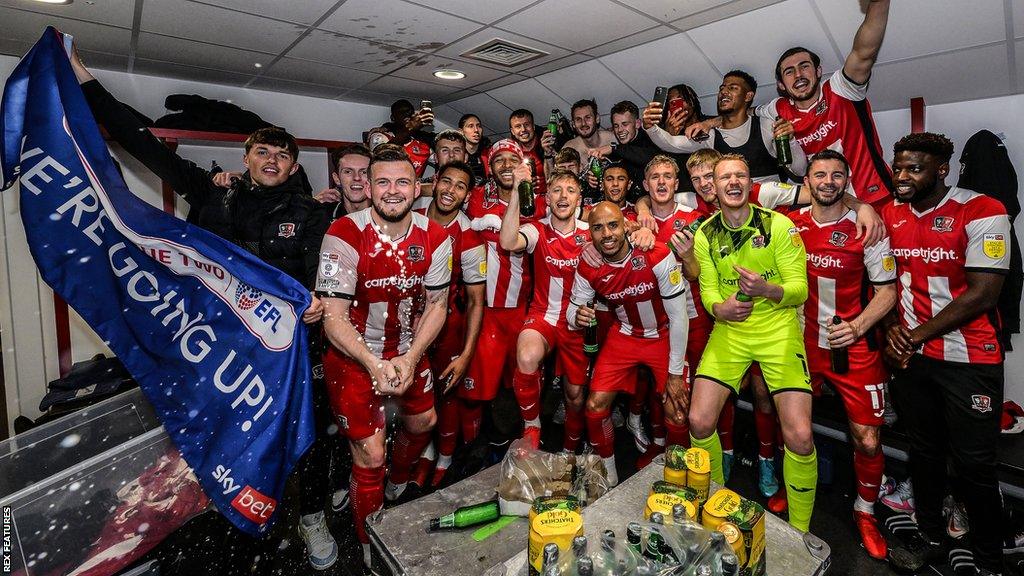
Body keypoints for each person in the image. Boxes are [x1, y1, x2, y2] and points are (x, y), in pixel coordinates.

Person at [68, 46, 338, 569]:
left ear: (293, 166)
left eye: (283, 156)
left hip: (284, 354)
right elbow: (140, 143)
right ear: (247, 157)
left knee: (306, 441)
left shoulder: (309, 213)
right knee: (213, 438)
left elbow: (315, 277)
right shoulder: (211, 195)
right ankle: (218, 519)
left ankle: (312, 516)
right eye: (263, 152)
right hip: (212, 347)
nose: (272, 161)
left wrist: (315, 304)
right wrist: (83, 80)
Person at [317, 147, 451, 569]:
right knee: (369, 455)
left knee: (424, 422)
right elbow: (333, 318)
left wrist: (410, 360)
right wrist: (374, 364)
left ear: (416, 188)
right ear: (369, 187)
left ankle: (397, 480)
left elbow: (438, 305)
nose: (393, 191)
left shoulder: (436, 236)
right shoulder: (343, 232)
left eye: (402, 182)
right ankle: (368, 543)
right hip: (354, 355)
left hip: (410, 349)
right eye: (383, 182)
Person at [883, 133, 1009, 576]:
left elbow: (983, 295)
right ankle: (933, 537)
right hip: (914, 358)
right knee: (924, 452)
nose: (902, 177)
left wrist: (912, 335)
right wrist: (893, 334)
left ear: (942, 170)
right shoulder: (889, 213)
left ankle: (990, 561)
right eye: (898, 167)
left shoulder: (982, 210)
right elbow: (884, 286)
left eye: (914, 168)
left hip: (969, 360)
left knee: (975, 466)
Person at [688, 154, 817, 532]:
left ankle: (800, 532)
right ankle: (713, 502)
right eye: (724, 176)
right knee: (698, 420)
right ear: (713, 185)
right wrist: (719, 309)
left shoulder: (779, 225)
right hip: (731, 332)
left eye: (740, 175)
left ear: (749, 183)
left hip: (777, 330)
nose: (732, 182)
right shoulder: (705, 233)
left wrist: (766, 289)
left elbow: (799, 290)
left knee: (801, 435)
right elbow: (708, 289)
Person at [790, 150, 897, 560]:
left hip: (853, 347)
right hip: (801, 344)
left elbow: (888, 291)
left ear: (846, 180)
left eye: (837, 175)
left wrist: (857, 326)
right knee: (797, 430)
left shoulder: (866, 229)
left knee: (867, 439)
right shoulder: (790, 223)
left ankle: (865, 510)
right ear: (809, 180)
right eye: (820, 174)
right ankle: (793, 486)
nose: (828, 181)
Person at [568, 202, 690, 486]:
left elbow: (679, 316)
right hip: (625, 335)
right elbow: (572, 314)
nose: (606, 234)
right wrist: (579, 315)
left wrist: (674, 374)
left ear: (626, 225)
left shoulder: (656, 253)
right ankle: (609, 475)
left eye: (612, 225)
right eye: (597, 228)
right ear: (591, 235)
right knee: (595, 405)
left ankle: (678, 479)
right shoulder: (589, 265)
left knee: (678, 409)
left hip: (663, 334)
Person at [759, 0, 893, 209]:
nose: (798, 75)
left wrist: (878, 4)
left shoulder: (840, 89)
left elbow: (863, 53)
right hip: (828, 208)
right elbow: (745, 112)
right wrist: (711, 123)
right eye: (789, 71)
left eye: (805, 66)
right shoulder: (778, 108)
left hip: (875, 199)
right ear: (781, 85)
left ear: (818, 71)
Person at [462, 139, 547, 456]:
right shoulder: (475, 200)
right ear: (489, 167)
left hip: (521, 308)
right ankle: (471, 451)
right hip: (482, 310)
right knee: (476, 388)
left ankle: (522, 438)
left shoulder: (537, 203)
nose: (507, 165)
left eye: (514, 159)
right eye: (500, 161)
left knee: (520, 382)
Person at [500, 169, 590, 452]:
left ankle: (570, 448)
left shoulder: (591, 232)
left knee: (575, 395)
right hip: (544, 315)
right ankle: (532, 424)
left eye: (570, 190)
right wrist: (516, 190)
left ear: (579, 199)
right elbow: (507, 242)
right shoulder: (536, 229)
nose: (563, 196)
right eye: (557, 190)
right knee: (526, 355)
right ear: (547, 198)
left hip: (578, 321)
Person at [413, 161, 486, 487]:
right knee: (415, 392)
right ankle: (425, 450)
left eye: (460, 186)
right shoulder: (412, 212)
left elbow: (475, 300)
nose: (450, 191)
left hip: (447, 324)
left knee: (446, 392)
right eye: (447, 182)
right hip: (403, 320)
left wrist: (467, 353)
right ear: (436, 182)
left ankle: (443, 455)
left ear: (467, 195)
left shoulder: (469, 235)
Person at [645, 70, 807, 181]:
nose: (724, 92)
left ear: (748, 96)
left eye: (733, 88)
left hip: (772, 212)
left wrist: (791, 141)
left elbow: (800, 171)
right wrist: (650, 126)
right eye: (722, 88)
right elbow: (672, 143)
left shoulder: (766, 126)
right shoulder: (712, 135)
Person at [587, 101, 662, 201]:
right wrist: (593, 178)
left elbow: (651, 159)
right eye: (616, 126)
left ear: (637, 124)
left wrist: (613, 148)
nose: (620, 130)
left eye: (625, 124)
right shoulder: (616, 153)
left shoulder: (651, 138)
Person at [315, 144, 371, 221]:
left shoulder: (387, 216)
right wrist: (311, 206)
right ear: (337, 178)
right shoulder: (321, 216)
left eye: (364, 172)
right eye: (348, 172)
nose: (357, 177)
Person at [381, 99, 434, 178]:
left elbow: (444, 158)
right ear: (392, 117)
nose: (407, 114)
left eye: (410, 112)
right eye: (401, 112)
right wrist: (409, 128)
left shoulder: (422, 142)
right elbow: (380, 155)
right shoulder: (382, 136)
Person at [558, 98, 616, 163]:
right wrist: (548, 156)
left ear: (597, 119)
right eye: (578, 119)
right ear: (573, 124)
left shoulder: (613, 140)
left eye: (588, 118)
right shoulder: (570, 148)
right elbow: (557, 172)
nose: (583, 123)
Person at [420, 129, 469, 196]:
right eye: (445, 150)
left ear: (465, 158)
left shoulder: (476, 189)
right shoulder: (416, 185)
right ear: (436, 158)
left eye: (457, 150)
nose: (451, 155)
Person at [459, 113, 490, 186]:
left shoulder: (488, 155)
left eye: (478, 126)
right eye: (470, 126)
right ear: (461, 131)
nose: (476, 130)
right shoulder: (454, 155)